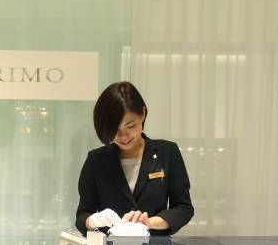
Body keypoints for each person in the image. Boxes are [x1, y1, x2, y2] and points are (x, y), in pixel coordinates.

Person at [76, 81, 194, 236]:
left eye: (130, 126)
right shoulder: (96, 160)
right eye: (114, 130)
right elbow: (82, 214)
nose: (123, 136)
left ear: (143, 113)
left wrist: (150, 222)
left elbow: (183, 207)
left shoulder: (168, 152)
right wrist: (93, 220)